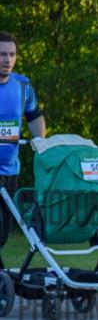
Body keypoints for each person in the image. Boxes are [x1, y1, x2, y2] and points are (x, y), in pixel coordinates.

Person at [0, 32, 46, 252]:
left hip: (11, 169)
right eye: (2, 54)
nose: (7, 59)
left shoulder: (23, 85)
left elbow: (34, 116)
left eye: (11, 54)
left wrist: (41, 142)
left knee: (3, 232)